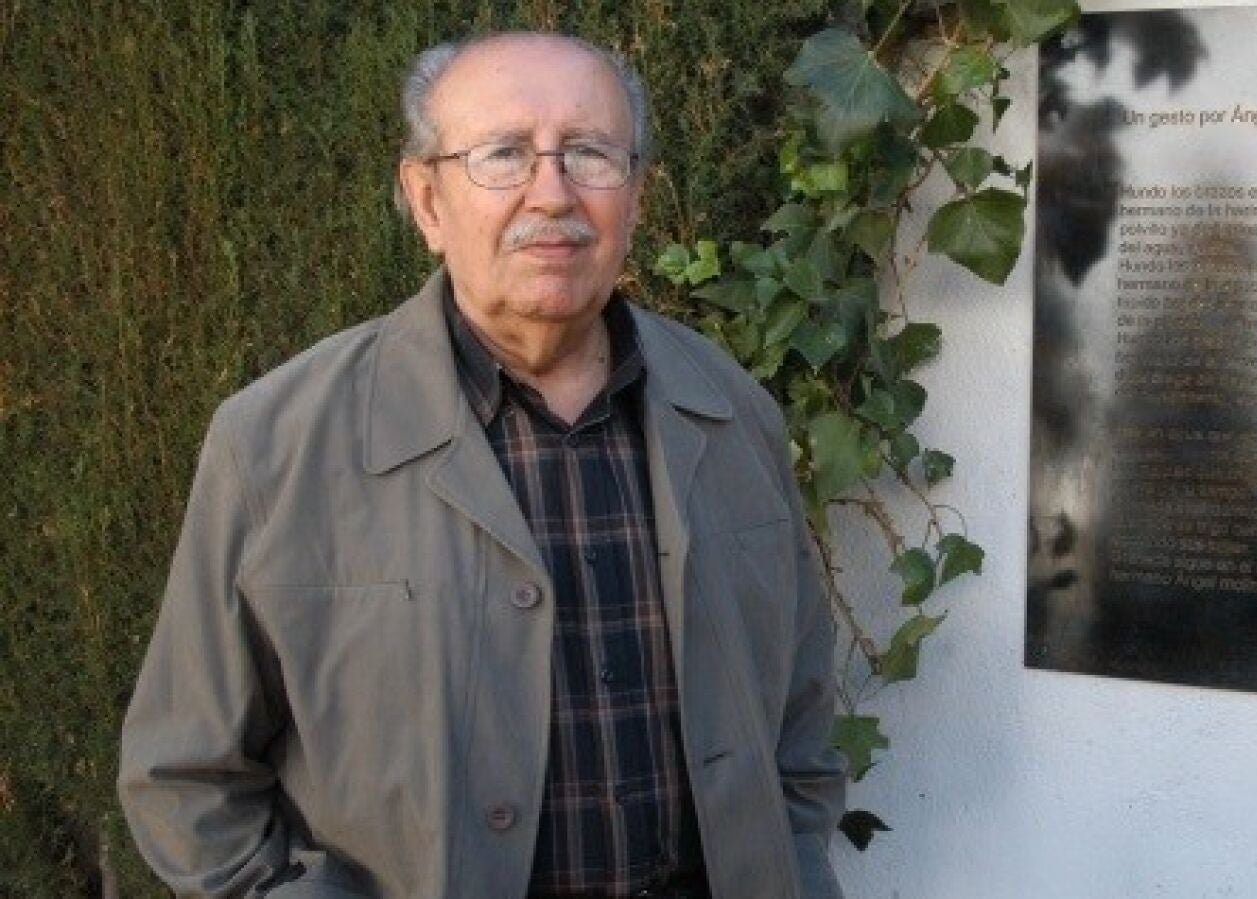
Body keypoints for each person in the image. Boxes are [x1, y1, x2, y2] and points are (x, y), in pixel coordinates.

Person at [119, 31, 846, 899]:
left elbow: (800, 729)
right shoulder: (276, 444)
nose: (553, 192)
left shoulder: (732, 414)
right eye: (503, 154)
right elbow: (184, 776)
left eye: (590, 153)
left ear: (637, 198)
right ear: (427, 200)